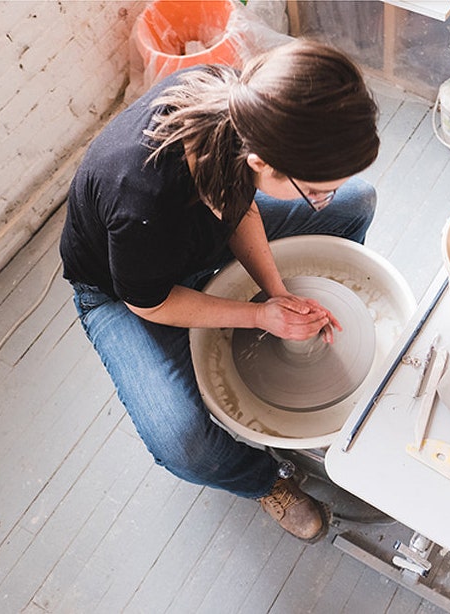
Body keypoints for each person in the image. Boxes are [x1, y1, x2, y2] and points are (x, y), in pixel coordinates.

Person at [59, 39, 379, 543]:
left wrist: (275, 292)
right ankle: (263, 480)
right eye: (315, 190)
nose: (322, 201)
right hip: (124, 289)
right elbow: (153, 300)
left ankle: (292, 291)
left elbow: (238, 203)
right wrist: (258, 318)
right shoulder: (142, 197)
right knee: (185, 443)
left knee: (357, 203)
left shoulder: (242, 108)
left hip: (192, 239)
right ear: (261, 162)